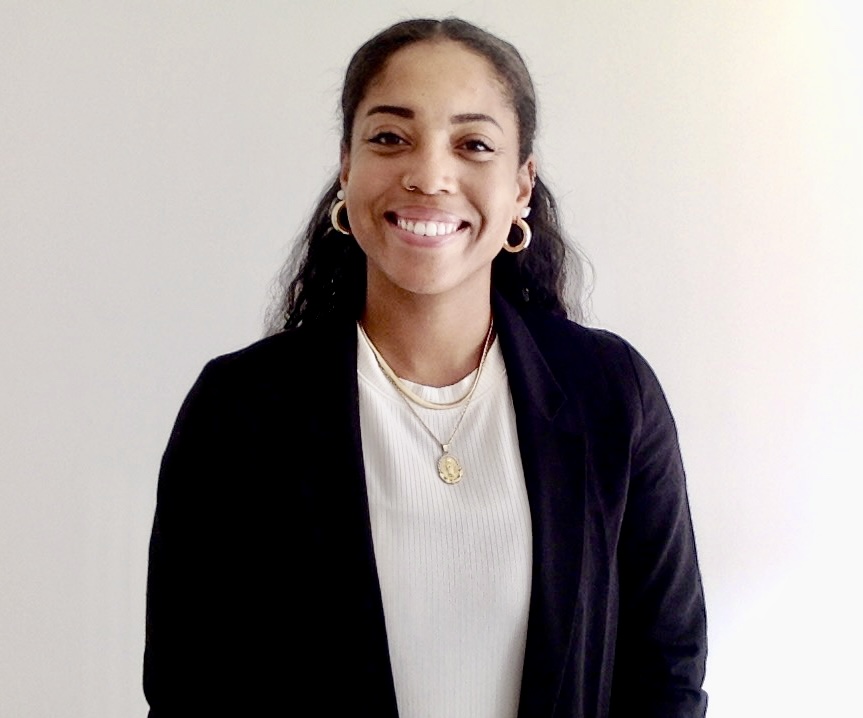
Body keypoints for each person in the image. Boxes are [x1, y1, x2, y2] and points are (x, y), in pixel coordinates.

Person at [144, 17, 707, 718]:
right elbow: (190, 688)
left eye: (473, 145)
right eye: (389, 138)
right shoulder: (241, 406)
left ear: (522, 186)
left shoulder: (611, 392)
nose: (429, 176)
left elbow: (666, 668)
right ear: (346, 168)